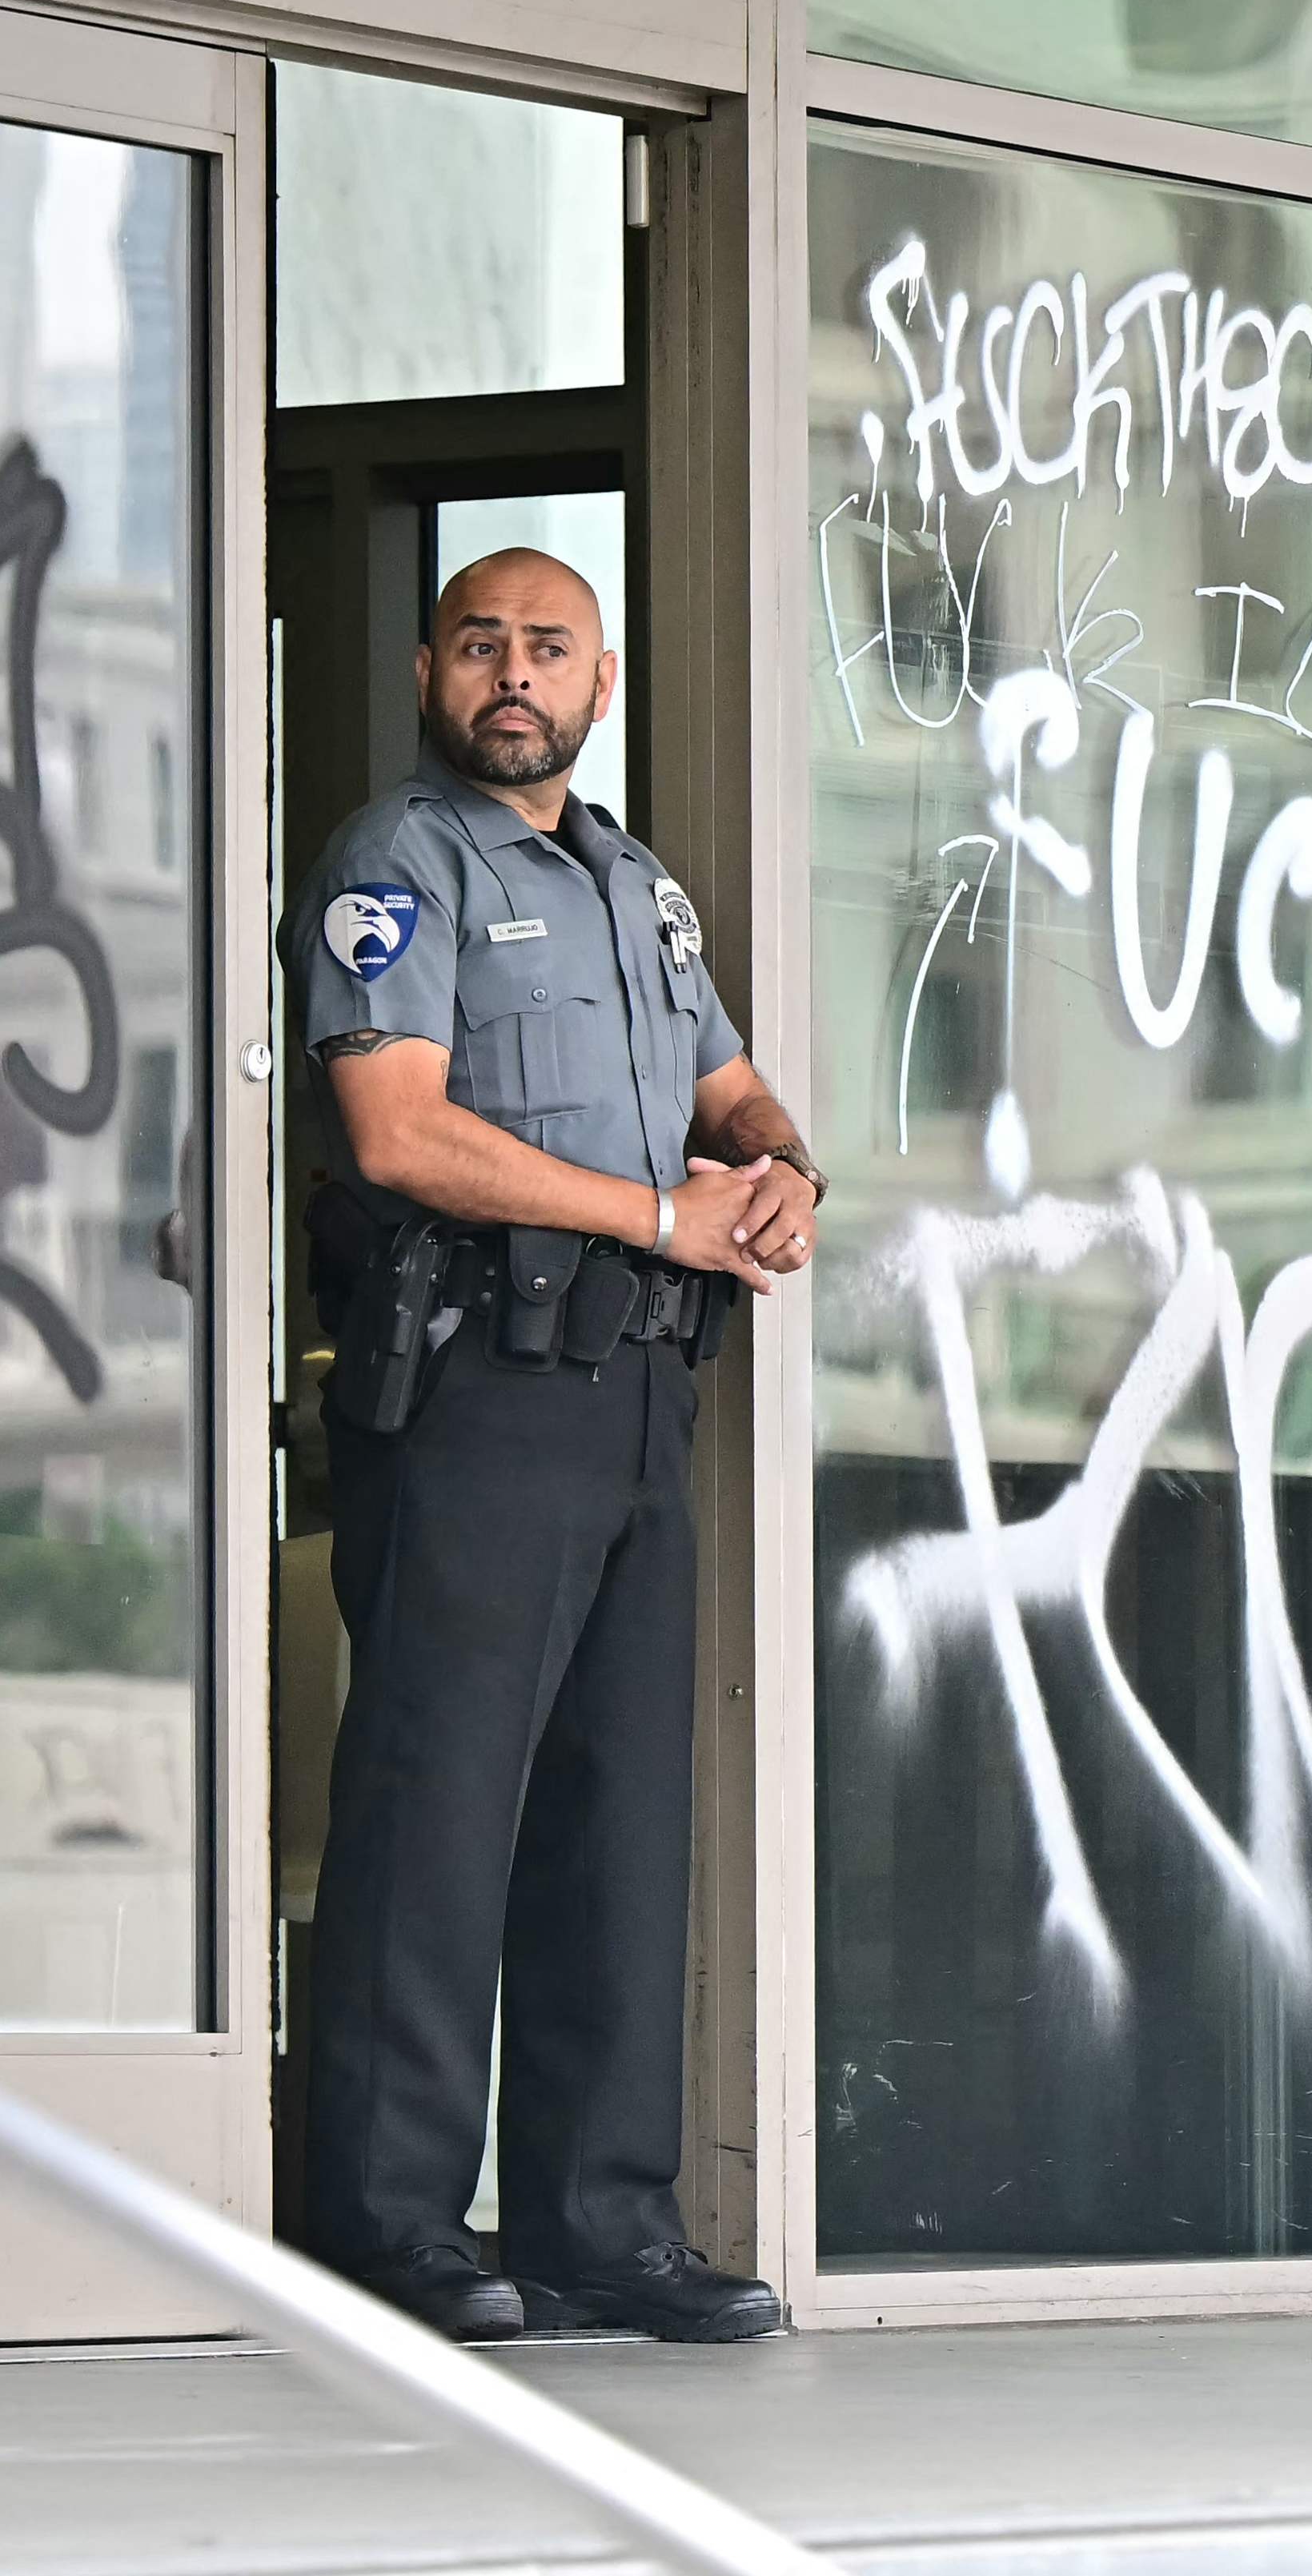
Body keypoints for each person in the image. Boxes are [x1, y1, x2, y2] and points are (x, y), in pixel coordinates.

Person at [286, 547, 820, 2344]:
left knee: (615, 1808)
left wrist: (777, 1160)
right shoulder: (400, 862)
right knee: (440, 1805)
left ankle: (604, 2218)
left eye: (549, 648)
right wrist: (662, 1215)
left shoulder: (634, 884)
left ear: (599, 680)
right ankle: (386, 2217)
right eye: (480, 644)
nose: (514, 674)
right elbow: (393, 1131)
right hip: (483, 1390)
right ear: (433, 668)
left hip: (645, 1387)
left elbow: (720, 1081)